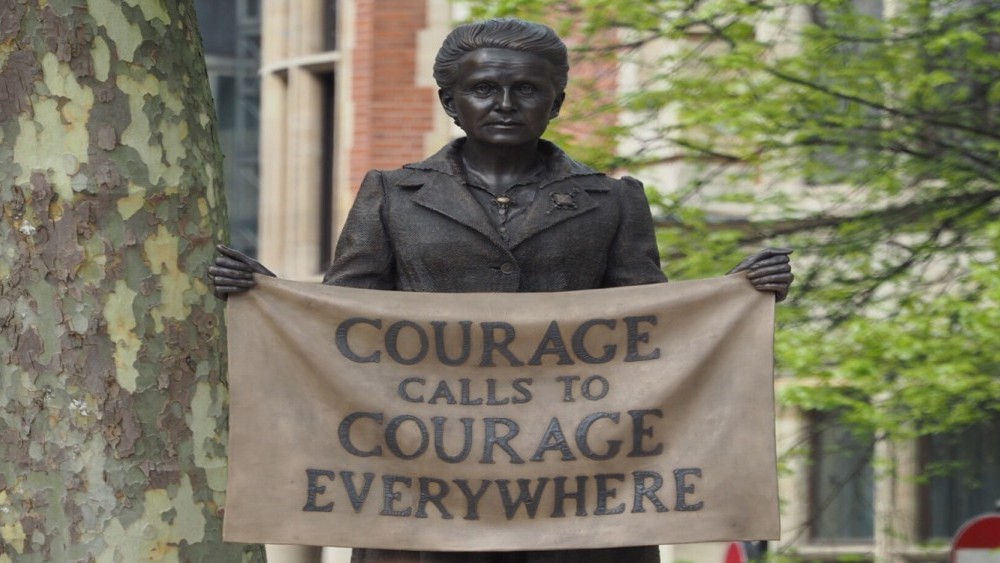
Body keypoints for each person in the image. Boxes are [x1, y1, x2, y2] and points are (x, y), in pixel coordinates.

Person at [210, 18, 793, 563]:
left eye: (527, 89)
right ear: (450, 102)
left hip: (581, 497)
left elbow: (653, 337)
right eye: (485, 89)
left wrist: (736, 297)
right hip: (422, 492)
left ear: (556, 101)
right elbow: (344, 331)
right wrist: (273, 301)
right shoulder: (392, 195)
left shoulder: (613, 201)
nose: (506, 105)